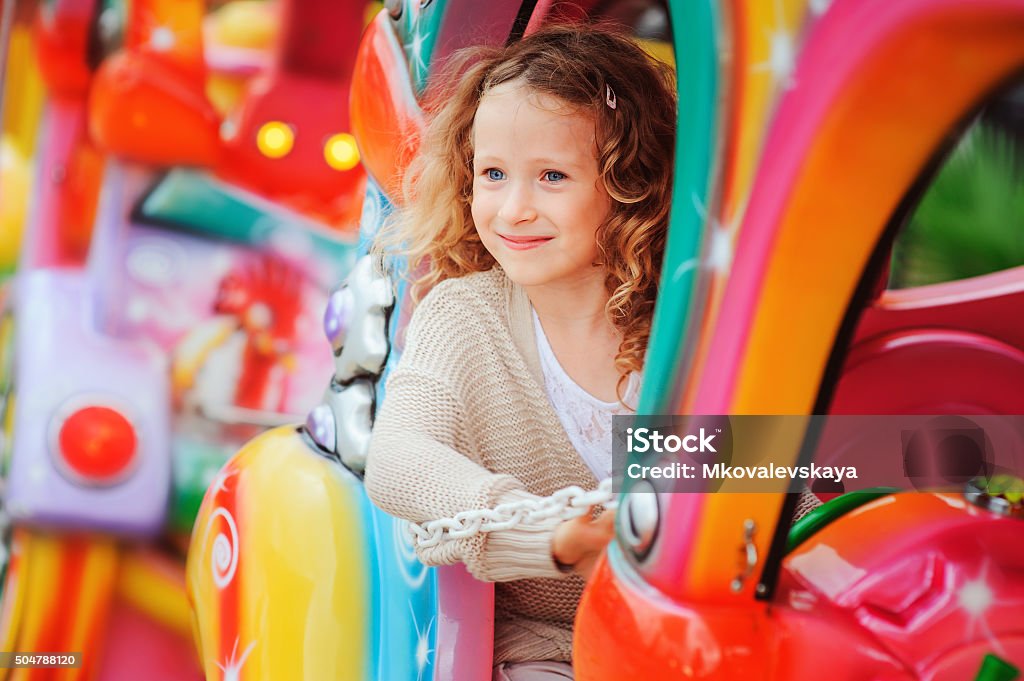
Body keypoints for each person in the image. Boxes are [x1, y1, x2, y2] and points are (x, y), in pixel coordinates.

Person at [364, 23, 676, 680]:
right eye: (494, 174)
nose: (513, 208)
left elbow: (783, 490)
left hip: (685, 642)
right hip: (550, 646)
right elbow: (397, 455)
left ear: (632, 185)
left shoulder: (683, 333)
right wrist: (551, 533)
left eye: (552, 176)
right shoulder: (468, 316)